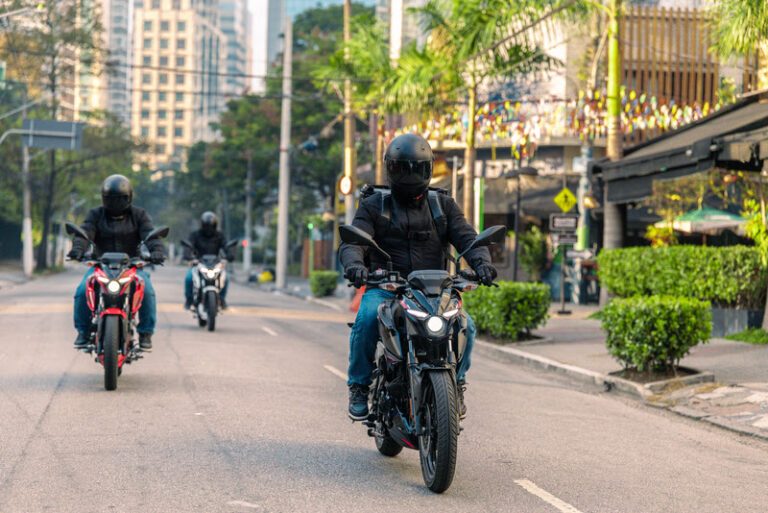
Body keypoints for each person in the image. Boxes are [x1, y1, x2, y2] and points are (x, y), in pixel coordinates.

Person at [340, 133, 497, 421]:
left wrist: (483, 263)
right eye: (402, 168)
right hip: (387, 287)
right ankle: (359, 386)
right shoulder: (374, 204)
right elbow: (354, 242)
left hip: (434, 291)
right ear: (390, 169)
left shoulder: (443, 205)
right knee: (367, 318)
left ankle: (457, 384)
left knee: (467, 326)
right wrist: (355, 265)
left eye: (416, 168)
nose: (410, 174)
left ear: (428, 169)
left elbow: (467, 238)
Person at [68, 174, 165, 351]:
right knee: (82, 291)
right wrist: (78, 249)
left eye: (120, 199)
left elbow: (151, 236)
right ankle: (83, 331)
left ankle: (145, 332)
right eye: (111, 199)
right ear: (104, 198)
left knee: (147, 291)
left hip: (131, 266)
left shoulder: (139, 215)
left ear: (129, 197)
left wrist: (156, 251)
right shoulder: (95, 214)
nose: (116, 203)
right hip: (100, 266)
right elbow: (85, 234)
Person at [183, 211, 233, 310]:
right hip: (199, 263)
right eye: (206, 226)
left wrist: (229, 256)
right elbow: (188, 246)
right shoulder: (195, 235)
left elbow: (226, 246)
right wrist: (189, 257)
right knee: (189, 278)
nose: (208, 228)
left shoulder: (219, 235)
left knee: (226, 278)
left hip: (215, 264)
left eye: (211, 226)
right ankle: (189, 299)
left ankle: (221, 299)